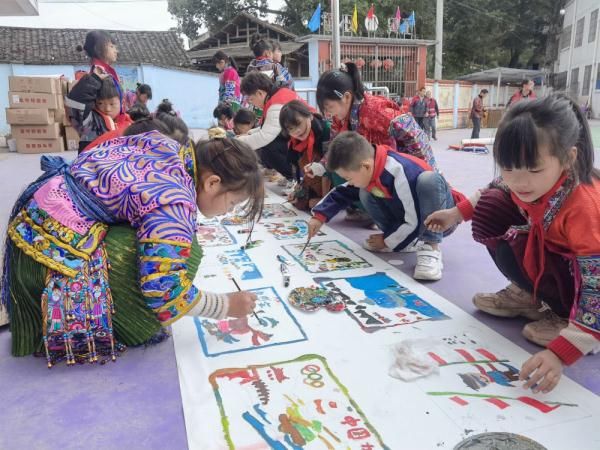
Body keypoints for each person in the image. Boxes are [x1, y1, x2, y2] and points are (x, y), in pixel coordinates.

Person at [1, 126, 264, 366]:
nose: (226, 213)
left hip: (38, 210)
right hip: (45, 253)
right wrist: (225, 306)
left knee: (170, 246)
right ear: (212, 182)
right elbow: (164, 290)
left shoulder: (166, 145)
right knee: (188, 253)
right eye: (231, 204)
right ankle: (118, 324)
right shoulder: (175, 202)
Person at [425, 94, 600, 393]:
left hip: (588, 280)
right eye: (508, 168)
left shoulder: (584, 206)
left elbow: (596, 285)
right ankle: (530, 297)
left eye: (533, 170)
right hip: (562, 262)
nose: (520, 182)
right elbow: (494, 188)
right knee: (493, 204)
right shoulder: (525, 179)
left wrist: (563, 351)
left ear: (568, 159)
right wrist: (455, 213)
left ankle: (572, 323)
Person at [308, 131, 463, 281]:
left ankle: (431, 247)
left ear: (366, 166)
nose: (349, 181)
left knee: (429, 180)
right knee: (365, 192)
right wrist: (319, 217)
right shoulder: (369, 168)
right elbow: (343, 191)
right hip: (412, 215)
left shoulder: (398, 171)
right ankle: (404, 240)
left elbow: (414, 219)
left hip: (442, 218)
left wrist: (386, 241)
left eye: (348, 177)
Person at [238, 72, 308, 180]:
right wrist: (249, 133)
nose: (252, 104)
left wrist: (238, 142)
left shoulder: (276, 103)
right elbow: (269, 127)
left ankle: (296, 178)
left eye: (251, 99)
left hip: (306, 144)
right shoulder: (278, 94)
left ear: (260, 93)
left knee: (269, 147)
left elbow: (265, 136)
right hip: (299, 139)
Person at [279, 100, 331, 210]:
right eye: (291, 129)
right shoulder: (295, 143)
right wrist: (298, 191)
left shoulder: (325, 131)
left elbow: (330, 166)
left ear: (310, 116)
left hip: (333, 180)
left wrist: (324, 200)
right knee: (299, 202)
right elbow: (301, 172)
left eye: (298, 124)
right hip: (316, 184)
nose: (297, 131)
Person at [66, 76, 133, 153]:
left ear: (122, 102)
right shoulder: (90, 122)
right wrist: (94, 78)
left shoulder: (130, 125)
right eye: (100, 103)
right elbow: (74, 103)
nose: (107, 109)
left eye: (112, 104)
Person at [76, 30, 124, 115]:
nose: (116, 51)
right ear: (99, 49)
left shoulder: (103, 71)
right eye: (111, 46)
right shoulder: (99, 73)